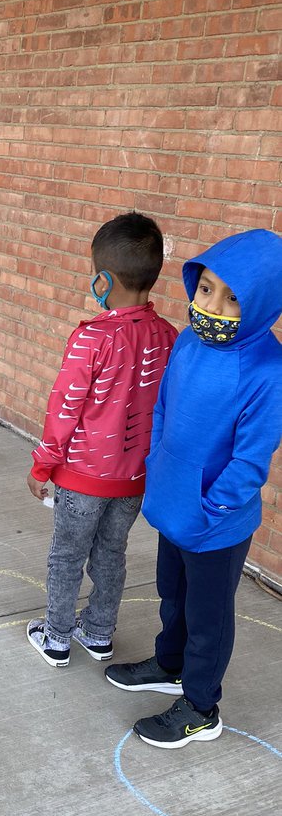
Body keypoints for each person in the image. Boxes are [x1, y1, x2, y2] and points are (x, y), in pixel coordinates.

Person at [106, 228, 282, 747]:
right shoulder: (189, 341)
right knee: (173, 594)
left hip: (215, 523)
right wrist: (159, 464)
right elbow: (163, 407)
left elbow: (250, 460)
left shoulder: (269, 372)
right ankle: (170, 664)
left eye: (232, 298)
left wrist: (212, 508)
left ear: (263, 303)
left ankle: (202, 707)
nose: (213, 306)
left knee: (209, 617)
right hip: (174, 501)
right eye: (206, 289)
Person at [26, 212, 177, 668]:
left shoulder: (91, 337)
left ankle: (56, 637)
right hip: (133, 479)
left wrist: (43, 463)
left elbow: (64, 407)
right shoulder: (168, 337)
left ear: (103, 281)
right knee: (111, 553)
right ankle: (98, 633)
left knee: (67, 555)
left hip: (83, 477)